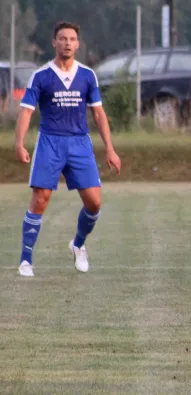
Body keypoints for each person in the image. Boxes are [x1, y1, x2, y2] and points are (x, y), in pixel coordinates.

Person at [15, 21, 121, 277]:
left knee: (94, 203)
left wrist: (110, 148)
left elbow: (98, 114)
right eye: (62, 39)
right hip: (50, 141)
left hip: (80, 143)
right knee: (40, 200)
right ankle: (26, 260)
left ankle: (78, 244)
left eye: (72, 39)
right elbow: (26, 112)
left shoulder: (87, 75)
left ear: (78, 44)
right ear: (54, 43)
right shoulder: (41, 76)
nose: (67, 43)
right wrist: (19, 143)